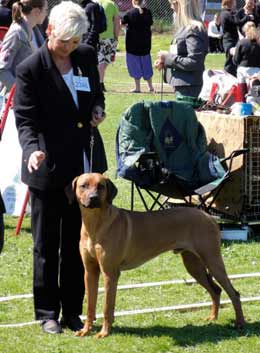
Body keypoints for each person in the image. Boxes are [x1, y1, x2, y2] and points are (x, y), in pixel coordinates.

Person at [14, 0, 107, 334]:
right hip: (48, 167)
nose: (69, 47)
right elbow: (25, 119)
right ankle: (47, 312)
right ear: (48, 30)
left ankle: (72, 311)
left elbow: (97, 93)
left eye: (75, 40)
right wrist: (31, 151)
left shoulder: (84, 57)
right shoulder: (30, 69)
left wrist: (97, 108)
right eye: (64, 40)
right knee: (46, 245)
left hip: (84, 171)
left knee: (77, 244)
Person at [154, 0, 208, 98]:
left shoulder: (194, 29)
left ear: (182, 6)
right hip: (181, 85)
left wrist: (168, 57)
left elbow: (194, 61)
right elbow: (180, 55)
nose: (171, 7)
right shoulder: (184, 28)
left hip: (189, 87)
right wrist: (165, 62)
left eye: (173, 4)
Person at [0, 0, 46, 93]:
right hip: (14, 98)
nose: (46, 13)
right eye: (45, 10)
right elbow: (2, 69)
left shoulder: (35, 31)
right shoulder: (16, 32)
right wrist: (21, 91)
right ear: (36, 11)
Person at [121, 0, 154, 93]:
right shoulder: (148, 12)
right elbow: (150, 23)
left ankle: (137, 88)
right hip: (145, 45)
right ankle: (150, 87)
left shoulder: (129, 13)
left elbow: (122, 23)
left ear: (133, 2)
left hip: (132, 45)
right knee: (146, 65)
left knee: (135, 66)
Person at [97, 0, 121, 92]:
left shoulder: (94, 2)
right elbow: (116, 23)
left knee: (103, 61)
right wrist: (116, 37)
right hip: (108, 37)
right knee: (104, 61)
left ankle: (99, 81)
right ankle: (100, 83)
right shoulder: (112, 4)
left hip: (96, 36)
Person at [219, 0, 239, 77]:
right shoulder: (226, 13)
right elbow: (236, 21)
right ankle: (227, 77)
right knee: (230, 62)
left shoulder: (228, 13)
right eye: (234, 1)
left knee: (233, 61)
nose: (235, 3)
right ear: (229, 3)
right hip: (229, 41)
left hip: (232, 39)